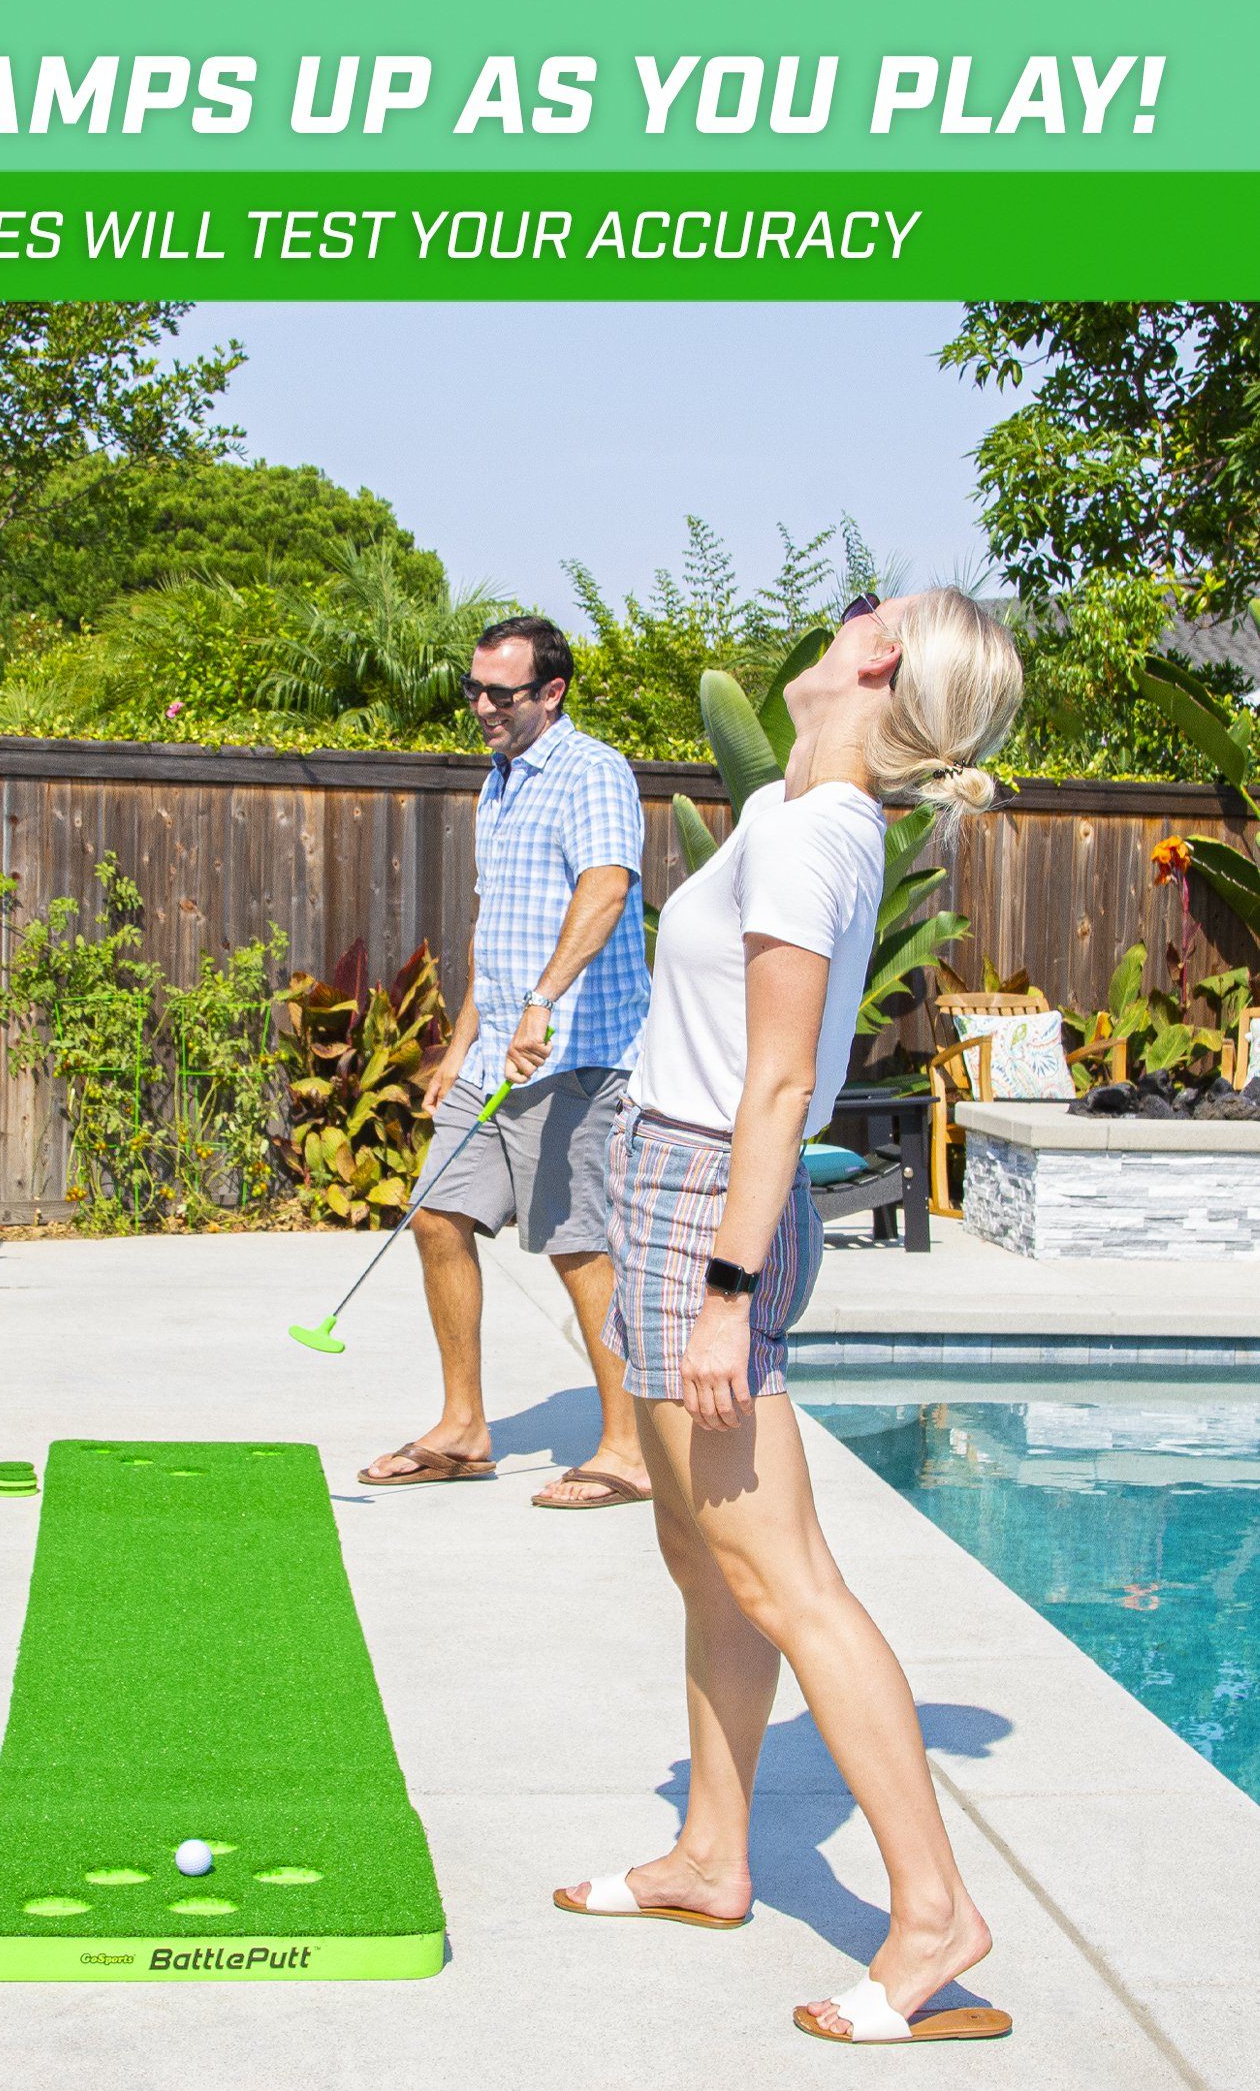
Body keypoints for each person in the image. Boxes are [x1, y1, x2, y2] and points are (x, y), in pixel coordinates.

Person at [556, 589, 1025, 2047]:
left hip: (712, 1205)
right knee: (702, 1558)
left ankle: (935, 1911)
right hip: (666, 1172)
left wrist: (725, 1296)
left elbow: (774, 1090)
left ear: (879, 658)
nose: (849, 610)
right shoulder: (786, 801)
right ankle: (711, 1855)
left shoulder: (820, 835)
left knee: (787, 1578)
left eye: (871, 608)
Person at [360, 616, 654, 1508]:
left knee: (577, 1247)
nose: (481, 706)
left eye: (502, 693)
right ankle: (464, 1430)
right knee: (437, 1216)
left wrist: (544, 1005)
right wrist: (461, 1047)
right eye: (473, 690)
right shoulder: (499, 784)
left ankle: (628, 1450)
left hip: (581, 1059)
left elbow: (607, 888)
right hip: (498, 1055)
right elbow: (503, 935)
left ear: (552, 692)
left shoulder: (591, 771)